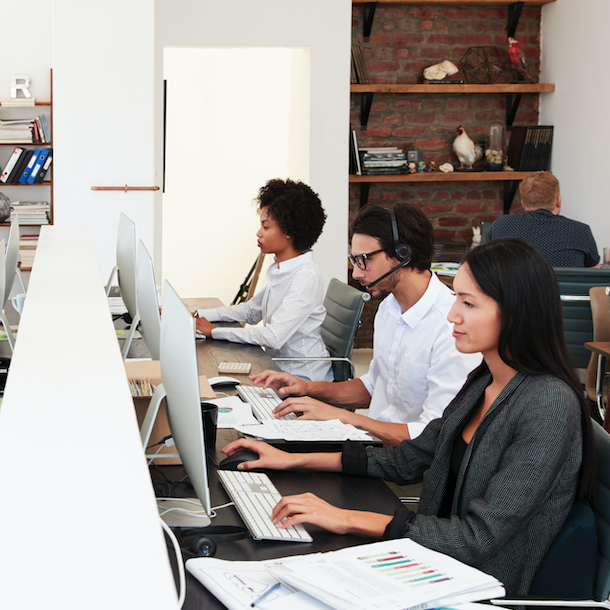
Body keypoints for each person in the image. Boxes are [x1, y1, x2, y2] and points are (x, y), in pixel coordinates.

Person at [222, 238, 597, 597]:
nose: (452, 315)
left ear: (515, 311)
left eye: (468, 303)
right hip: (436, 562)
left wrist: (346, 518)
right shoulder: (484, 378)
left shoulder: (548, 405)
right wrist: (292, 459)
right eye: (456, 299)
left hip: (484, 584)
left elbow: (476, 539)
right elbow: (411, 458)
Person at [250, 203, 481, 445]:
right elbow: (373, 386)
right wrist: (306, 387)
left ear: (403, 254)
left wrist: (341, 418)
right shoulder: (389, 309)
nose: (357, 274)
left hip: (411, 468)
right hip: (375, 446)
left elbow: (433, 437)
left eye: (363, 260)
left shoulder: (452, 329)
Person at [195, 178, 333, 382]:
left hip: (304, 378)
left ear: (289, 231)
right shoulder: (282, 268)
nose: (259, 233)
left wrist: (214, 331)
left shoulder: (306, 276)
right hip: (276, 368)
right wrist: (200, 315)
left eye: (266, 227)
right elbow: (251, 311)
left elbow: (273, 337)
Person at [486, 171, 600, 267]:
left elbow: (485, 267)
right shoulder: (581, 231)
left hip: (511, 293)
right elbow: (592, 275)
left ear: (523, 202)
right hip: (559, 293)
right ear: (558, 201)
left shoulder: (500, 226)